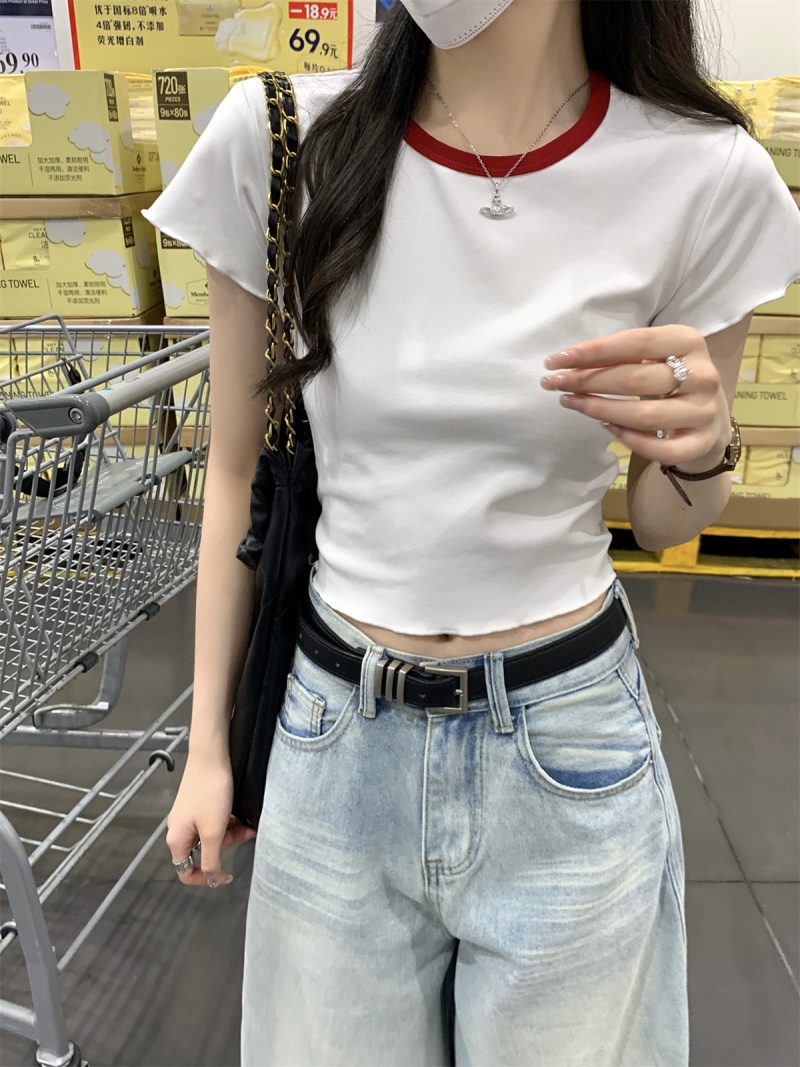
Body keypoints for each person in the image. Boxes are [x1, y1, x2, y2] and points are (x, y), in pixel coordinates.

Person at [146, 1, 800, 1063]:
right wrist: (209, 746)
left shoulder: (701, 175)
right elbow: (232, 470)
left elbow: (661, 517)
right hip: (334, 739)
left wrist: (702, 446)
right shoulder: (279, 141)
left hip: (567, 744)